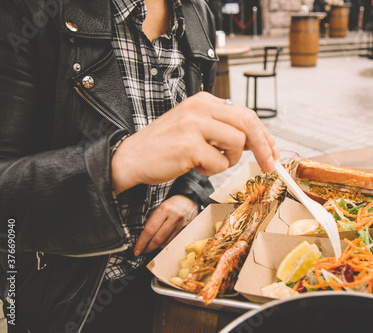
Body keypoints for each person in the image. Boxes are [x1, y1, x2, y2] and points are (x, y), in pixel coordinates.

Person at [0, 0, 279, 332]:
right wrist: (118, 163)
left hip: (171, 276)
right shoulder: (26, 11)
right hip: (71, 301)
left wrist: (188, 192)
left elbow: (190, 149)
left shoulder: (197, 11)